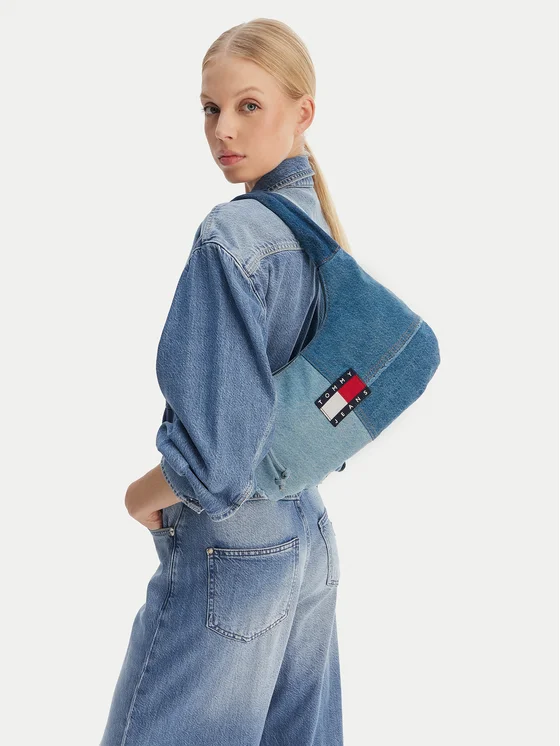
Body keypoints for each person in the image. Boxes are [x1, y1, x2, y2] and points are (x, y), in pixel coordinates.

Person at [100, 18, 350, 746]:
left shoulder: (232, 235)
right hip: (308, 534)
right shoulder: (317, 232)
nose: (223, 131)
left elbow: (215, 462)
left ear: (303, 111)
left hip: (234, 552)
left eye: (249, 106)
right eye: (211, 109)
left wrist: (140, 494)